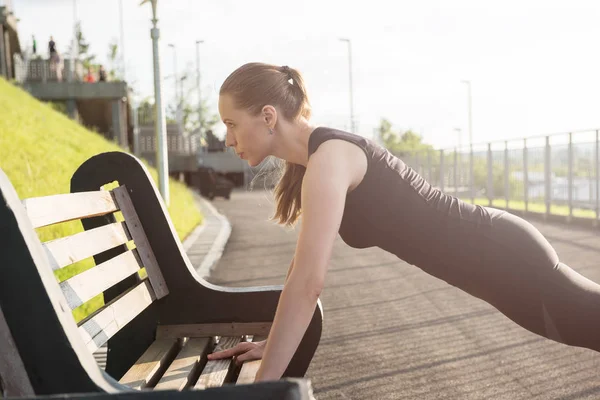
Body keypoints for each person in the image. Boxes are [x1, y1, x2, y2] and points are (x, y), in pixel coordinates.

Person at [207, 62, 600, 382]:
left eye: (231, 123)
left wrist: (262, 389)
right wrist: (274, 344)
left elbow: (309, 284)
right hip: (499, 266)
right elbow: (300, 274)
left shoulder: (329, 159)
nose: (227, 138)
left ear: (268, 116)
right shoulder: (315, 162)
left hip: (507, 258)